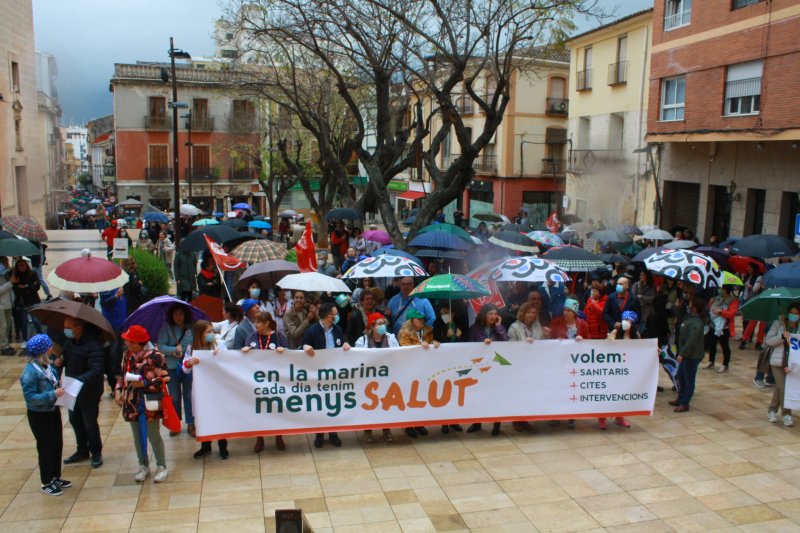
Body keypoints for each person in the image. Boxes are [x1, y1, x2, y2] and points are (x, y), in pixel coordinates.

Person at [115, 325, 170, 481]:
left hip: (149, 403)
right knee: (138, 436)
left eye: (129, 341)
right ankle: (143, 465)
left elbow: (165, 379)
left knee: (153, 435)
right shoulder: (127, 355)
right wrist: (118, 390)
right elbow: (122, 374)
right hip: (132, 402)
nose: (126, 343)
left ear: (138, 342)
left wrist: (146, 383)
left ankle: (161, 465)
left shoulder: (156, 356)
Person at [20, 334, 71, 496]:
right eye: (49, 347)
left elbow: (51, 381)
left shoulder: (46, 366)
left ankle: (55, 476)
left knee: (57, 443)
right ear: (42, 350)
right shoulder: (29, 373)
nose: (51, 349)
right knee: (45, 447)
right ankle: (46, 481)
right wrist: (53, 395)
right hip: (40, 415)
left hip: (52, 410)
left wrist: (58, 378)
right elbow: (31, 399)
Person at [56, 316, 105, 468]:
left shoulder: (94, 345)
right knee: (74, 419)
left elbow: (96, 370)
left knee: (89, 421)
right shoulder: (71, 341)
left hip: (88, 390)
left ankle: (96, 451)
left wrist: (79, 380)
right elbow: (65, 356)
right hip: (71, 387)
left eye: (68, 327)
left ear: (79, 327)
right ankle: (82, 450)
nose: (66, 330)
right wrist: (60, 361)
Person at [302, 302, 351, 448]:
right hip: (318, 374)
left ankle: (333, 433)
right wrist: (304, 346)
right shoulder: (312, 331)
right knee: (320, 404)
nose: (337, 316)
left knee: (333, 403)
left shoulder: (338, 330)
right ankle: (319, 433)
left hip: (335, 374)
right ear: (329, 316)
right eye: (335, 314)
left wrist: (345, 345)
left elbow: (342, 344)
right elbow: (302, 346)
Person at [243, 311, 290, 453]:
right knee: (259, 409)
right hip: (257, 380)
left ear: (267, 323)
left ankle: (279, 436)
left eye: (258, 322)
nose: (255, 324)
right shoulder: (251, 337)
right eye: (255, 321)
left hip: (276, 379)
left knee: (276, 408)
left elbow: (290, 356)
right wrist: (244, 352)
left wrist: (285, 351)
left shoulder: (279, 336)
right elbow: (244, 359)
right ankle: (260, 438)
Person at [182, 320, 229, 459]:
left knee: (219, 416)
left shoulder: (219, 343)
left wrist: (220, 355)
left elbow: (229, 360)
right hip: (201, 389)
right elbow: (185, 369)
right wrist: (190, 363)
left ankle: (223, 446)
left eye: (212, 331)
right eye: (208, 332)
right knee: (203, 417)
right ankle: (205, 446)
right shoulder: (192, 348)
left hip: (217, 387)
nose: (211, 334)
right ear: (200, 334)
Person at [355, 312, 398, 441]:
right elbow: (356, 359)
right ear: (372, 326)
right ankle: (368, 430)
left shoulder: (391, 339)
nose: (382, 326)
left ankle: (386, 429)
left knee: (386, 405)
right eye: (379, 324)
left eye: (383, 323)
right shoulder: (361, 341)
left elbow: (399, 355)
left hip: (387, 379)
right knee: (369, 406)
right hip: (368, 381)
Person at [465, 304, 507, 436]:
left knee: (497, 396)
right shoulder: (474, 329)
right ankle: (477, 422)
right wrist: (482, 345)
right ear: (484, 315)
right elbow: (470, 348)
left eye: (495, 313)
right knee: (479, 395)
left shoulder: (498, 328)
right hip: (480, 368)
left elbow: (506, 342)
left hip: (496, 367)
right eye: (490, 313)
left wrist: (499, 327)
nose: (493, 316)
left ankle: (497, 424)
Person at [548, 299, 588, 429]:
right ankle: (554, 415)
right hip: (559, 362)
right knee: (557, 389)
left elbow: (590, 342)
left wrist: (583, 341)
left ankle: (571, 416)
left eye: (568, 310)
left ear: (574, 312)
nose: (565, 312)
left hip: (575, 363)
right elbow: (549, 341)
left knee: (573, 389)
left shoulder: (582, 324)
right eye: (564, 309)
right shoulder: (556, 322)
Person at [397, 309, 438, 438]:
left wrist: (435, 344)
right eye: (418, 319)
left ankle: (420, 423)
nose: (421, 321)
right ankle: (409, 425)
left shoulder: (428, 330)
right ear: (411, 320)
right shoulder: (404, 332)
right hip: (409, 369)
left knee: (421, 396)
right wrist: (420, 345)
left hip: (424, 368)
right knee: (410, 397)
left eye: (422, 319)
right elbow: (405, 348)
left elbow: (431, 344)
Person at [157, 303, 195, 437]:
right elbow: (160, 346)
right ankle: (176, 423)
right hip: (172, 367)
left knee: (190, 395)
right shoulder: (166, 327)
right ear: (171, 316)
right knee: (175, 396)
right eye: (176, 314)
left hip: (188, 366)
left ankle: (191, 423)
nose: (179, 317)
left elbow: (196, 343)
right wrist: (173, 350)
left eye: (181, 314)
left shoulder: (191, 326)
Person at [669, 299, 707, 413]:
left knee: (688, 379)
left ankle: (685, 403)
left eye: (690, 303)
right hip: (686, 354)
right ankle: (680, 398)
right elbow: (680, 318)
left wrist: (682, 353)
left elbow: (692, 340)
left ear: (694, 307)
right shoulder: (689, 317)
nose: (688, 304)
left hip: (692, 355)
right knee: (681, 377)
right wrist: (678, 308)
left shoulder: (698, 323)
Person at [765, 305, 799, 427]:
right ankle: (786, 414)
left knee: (780, 388)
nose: (794, 315)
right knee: (784, 388)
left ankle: (772, 410)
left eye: (796, 313)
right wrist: (781, 337)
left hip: (793, 363)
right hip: (778, 361)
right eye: (792, 312)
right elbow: (768, 340)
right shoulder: (778, 324)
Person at [705, 285, 739, 373]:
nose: (720, 290)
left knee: (724, 346)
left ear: (726, 290)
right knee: (712, 344)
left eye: (722, 288)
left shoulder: (733, 300)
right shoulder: (717, 298)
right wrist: (711, 302)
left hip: (724, 327)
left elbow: (732, 314)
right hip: (713, 325)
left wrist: (721, 312)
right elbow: (710, 309)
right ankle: (711, 361)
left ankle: (725, 365)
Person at [11, 257, 42, 349]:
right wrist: (27, 288)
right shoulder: (15, 276)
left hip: (33, 301)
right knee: (24, 323)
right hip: (22, 303)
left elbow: (37, 286)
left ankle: (41, 337)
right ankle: (25, 340)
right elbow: (15, 288)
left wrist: (25, 287)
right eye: (19, 265)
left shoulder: (33, 273)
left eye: (23, 265)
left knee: (36, 321)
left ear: (26, 265)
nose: (21, 267)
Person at [0, 257, 15, 355]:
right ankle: (3, 346)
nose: (7, 263)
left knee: (8, 325)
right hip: (1, 305)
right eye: (5, 261)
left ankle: (6, 344)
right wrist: (10, 283)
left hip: (8, 303)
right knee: (3, 326)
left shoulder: (6, 274)